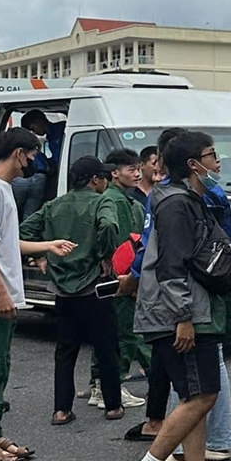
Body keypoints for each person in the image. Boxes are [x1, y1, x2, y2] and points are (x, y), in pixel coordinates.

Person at [123, 131, 231, 461]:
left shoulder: (185, 198)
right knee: (202, 394)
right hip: (182, 315)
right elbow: (172, 266)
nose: (217, 162)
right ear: (193, 164)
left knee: (196, 393)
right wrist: (184, 318)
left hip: (191, 310)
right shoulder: (175, 205)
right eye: (211, 155)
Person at [0, 127, 75, 461]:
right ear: (18, 154)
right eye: (31, 154)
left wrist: (47, 245)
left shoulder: (2, 189)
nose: (34, 161)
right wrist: (0, 291)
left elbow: (5, 242)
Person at [22, 156, 124, 424]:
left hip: (63, 290)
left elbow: (25, 230)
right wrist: (104, 254)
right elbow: (110, 226)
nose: (106, 181)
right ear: (94, 180)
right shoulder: (103, 201)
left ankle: (61, 409)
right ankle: (113, 405)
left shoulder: (54, 205)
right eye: (103, 177)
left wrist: (41, 254)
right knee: (106, 347)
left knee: (65, 351)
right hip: (93, 287)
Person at [87, 149, 149, 406]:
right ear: (114, 172)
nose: (136, 173)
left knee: (110, 331)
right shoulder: (118, 201)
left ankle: (99, 385)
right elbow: (125, 241)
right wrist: (125, 272)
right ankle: (113, 385)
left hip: (115, 276)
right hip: (122, 276)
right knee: (126, 333)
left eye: (137, 168)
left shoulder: (123, 199)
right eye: (130, 169)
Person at [11, 110, 65, 220]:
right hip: (42, 176)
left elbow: (60, 158)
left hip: (32, 177)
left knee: (13, 212)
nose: (34, 132)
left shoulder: (60, 131)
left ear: (39, 121)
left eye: (33, 128)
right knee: (30, 214)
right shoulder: (52, 135)